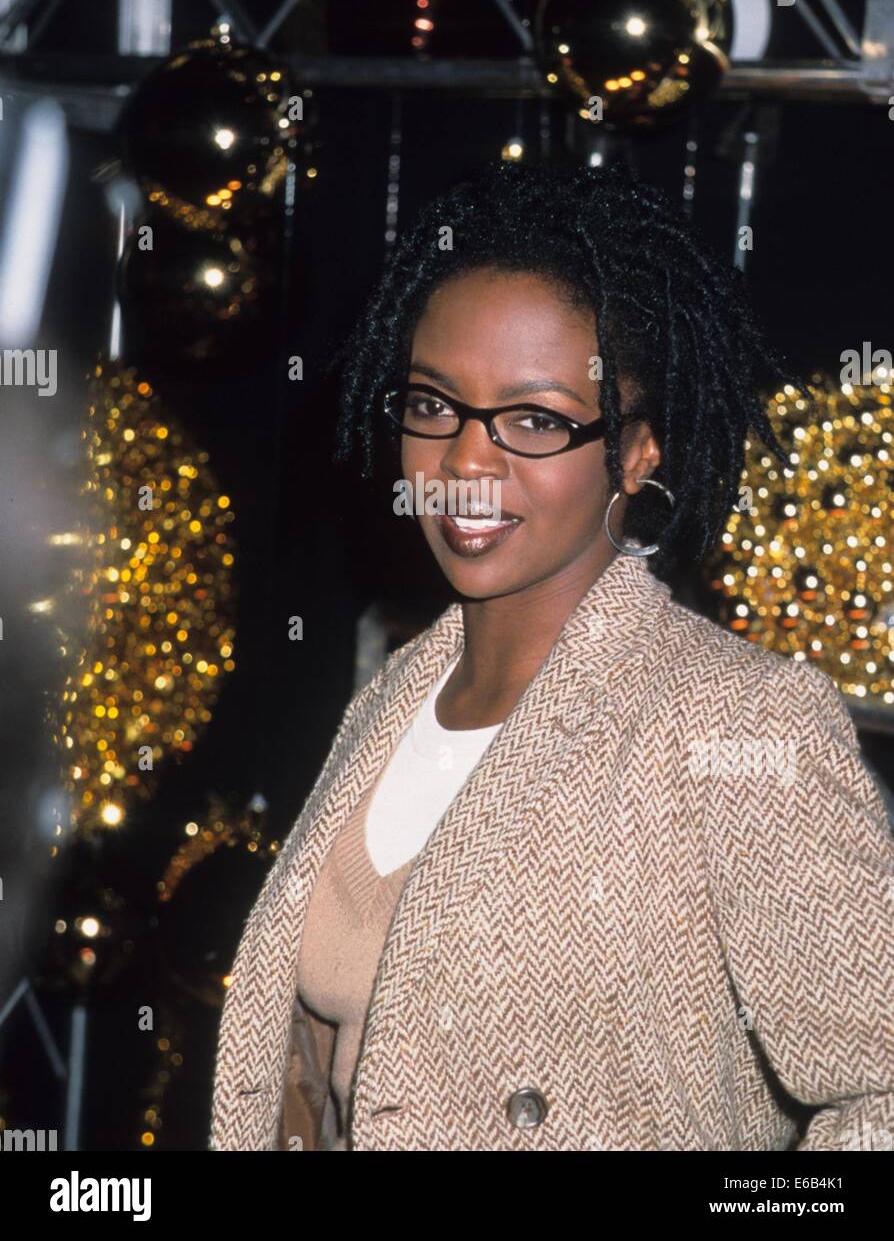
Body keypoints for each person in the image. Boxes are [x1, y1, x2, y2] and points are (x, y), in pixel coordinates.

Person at [210, 160, 894, 1151]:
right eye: (435, 404)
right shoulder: (393, 697)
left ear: (638, 452)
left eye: (534, 419)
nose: (465, 464)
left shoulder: (739, 724)